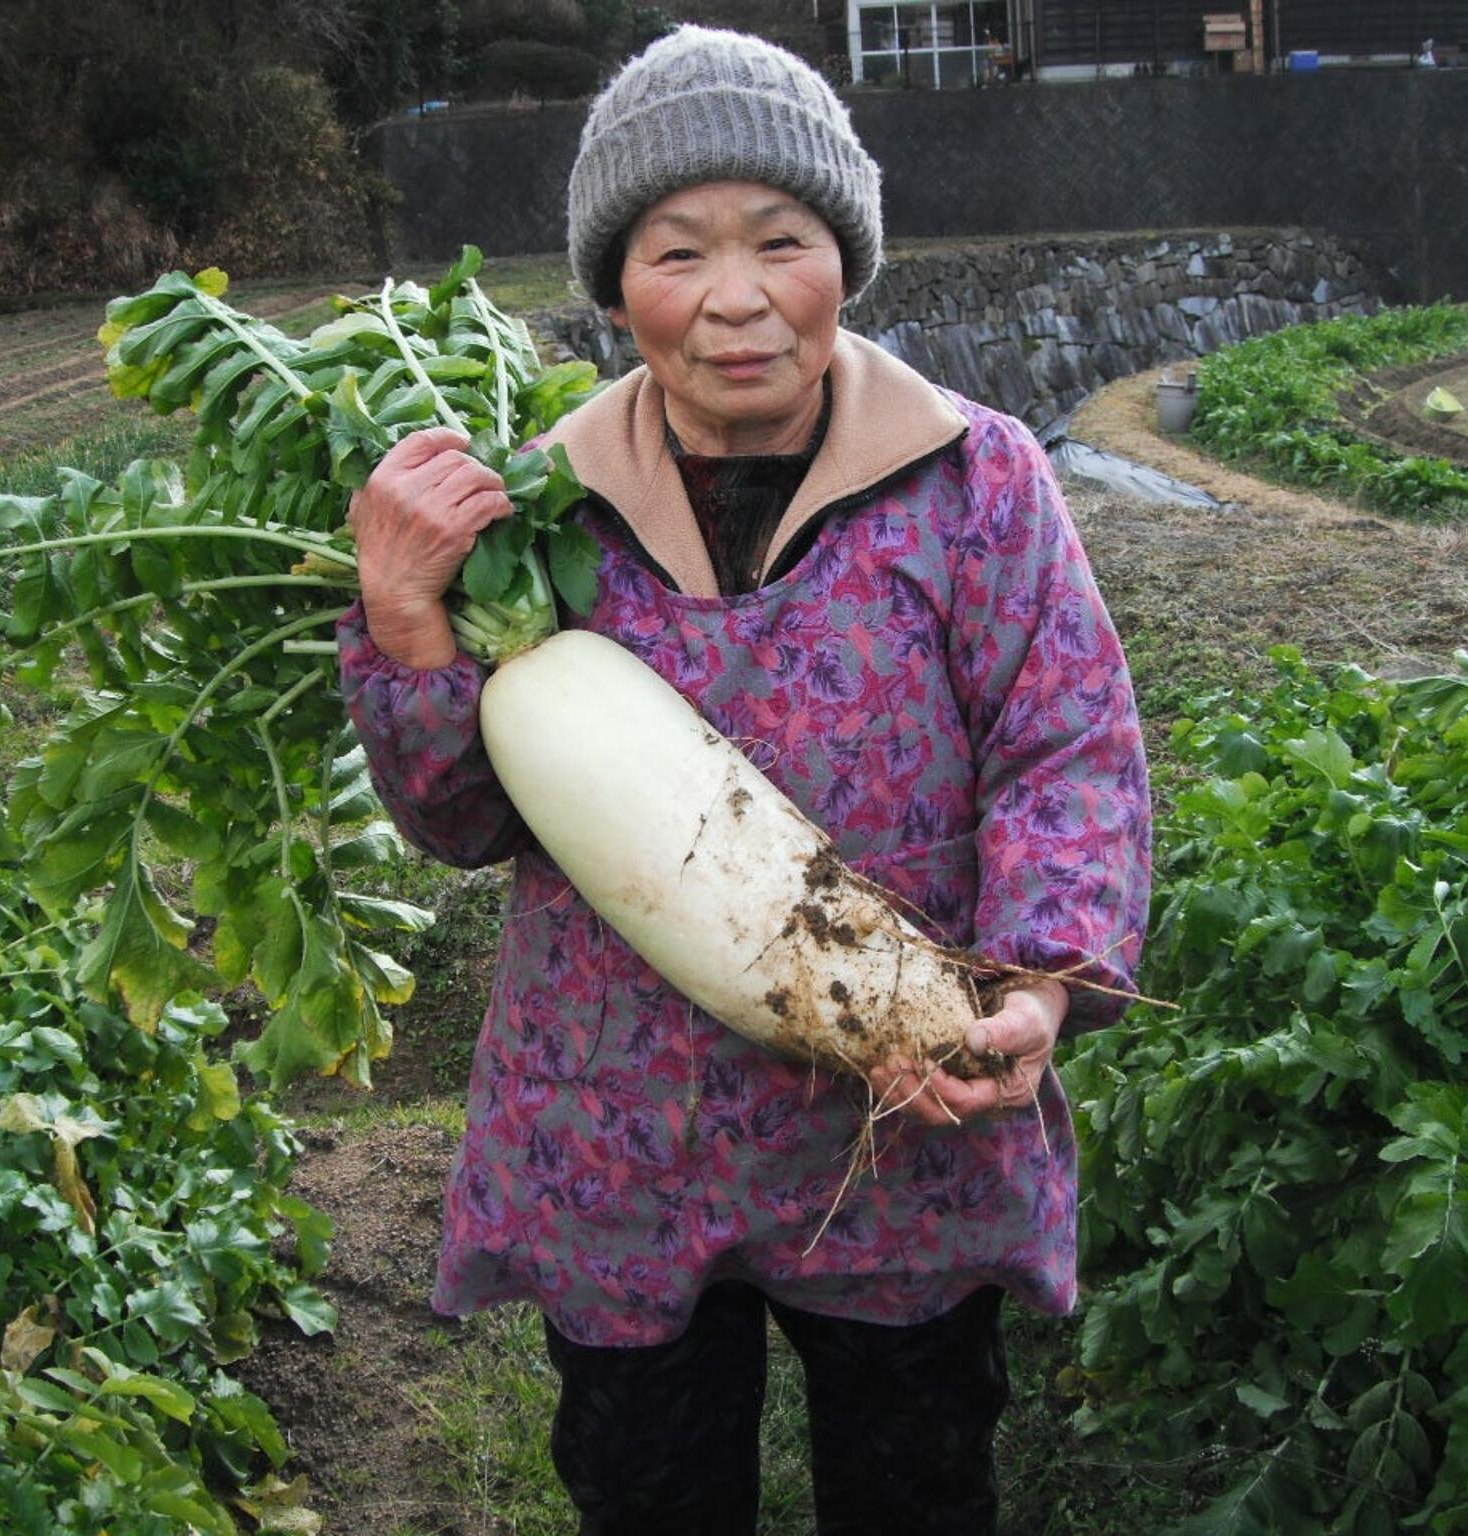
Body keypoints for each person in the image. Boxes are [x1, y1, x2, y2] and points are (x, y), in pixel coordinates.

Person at [338, 25, 1151, 1535]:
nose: (733, 300)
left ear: (843, 253)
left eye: (780, 241)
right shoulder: (525, 516)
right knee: (649, 1491)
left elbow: (1068, 749)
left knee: (916, 1486)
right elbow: (457, 823)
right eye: (675, 251)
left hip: (910, 1120)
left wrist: (1035, 987)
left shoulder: (979, 486)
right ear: (615, 279)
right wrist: (404, 622)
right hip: (625, 1131)